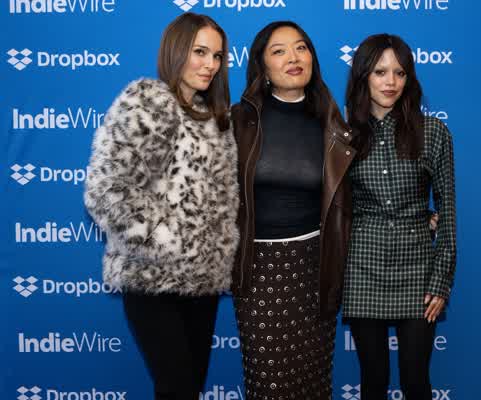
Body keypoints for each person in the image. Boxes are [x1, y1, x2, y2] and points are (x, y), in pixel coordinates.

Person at [84, 13, 238, 400]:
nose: (210, 64)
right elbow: (106, 189)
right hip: (152, 280)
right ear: (176, 50)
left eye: (217, 56)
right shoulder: (149, 101)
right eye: (200, 52)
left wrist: (209, 253)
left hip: (203, 282)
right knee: (177, 388)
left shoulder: (216, 120)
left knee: (189, 388)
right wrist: (161, 242)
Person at [230, 21, 356, 400]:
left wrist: (418, 215)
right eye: (279, 51)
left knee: (313, 383)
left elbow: (351, 196)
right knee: (268, 383)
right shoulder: (239, 122)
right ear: (262, 66)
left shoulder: (332, 123)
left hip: (316, 266)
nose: (293, 57)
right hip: (258, 269)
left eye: (301, 48)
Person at [342, 33, 457, 400]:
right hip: (362, 266)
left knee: (416, 380)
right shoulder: (343, 135)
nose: (390, 82)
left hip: (418, 268)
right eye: (380, 72)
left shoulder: (433, 132)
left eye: (400, 73)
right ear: (363, 76)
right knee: (373, 381)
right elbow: (335, 207)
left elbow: (449, 211)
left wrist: (441, 280)